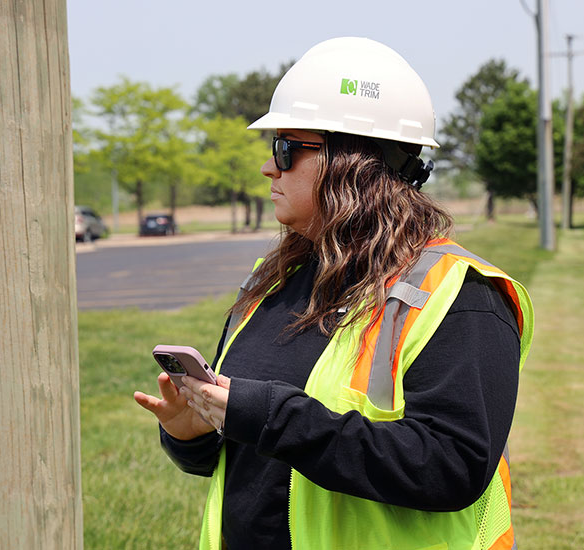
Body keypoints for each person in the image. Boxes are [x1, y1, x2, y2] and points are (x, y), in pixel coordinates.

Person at [134, 37, 534, 550]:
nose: (268, 167)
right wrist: (193, 433)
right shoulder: (270, 284)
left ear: (356, 163)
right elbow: (253, 464)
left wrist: (273, 416)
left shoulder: (462, 297)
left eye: (285, 148)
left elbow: (452, 467)